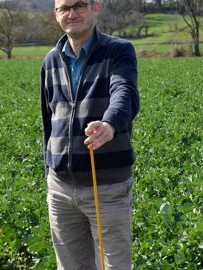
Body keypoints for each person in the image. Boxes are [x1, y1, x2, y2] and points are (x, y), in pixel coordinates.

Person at [40, 0, 140, 269]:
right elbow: (48, 123)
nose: (71, 13)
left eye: (79, 5)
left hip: (106, 186)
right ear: (56, 14)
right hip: (60, 189)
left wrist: (109, 124)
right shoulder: (51, 60)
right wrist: (49, 171)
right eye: (64, 8)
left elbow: (125, 93)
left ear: (96, 8)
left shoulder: (118, 51)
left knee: (113, 266)